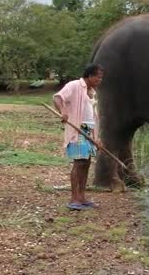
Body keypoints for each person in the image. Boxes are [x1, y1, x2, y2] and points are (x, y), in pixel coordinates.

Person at [53, 64, 104, 210]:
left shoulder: (92, 93)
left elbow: (93, 116)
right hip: (78, 129)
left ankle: (82, 197)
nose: (100, 80)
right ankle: (74, 199)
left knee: (86, 162)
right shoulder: (74, 85)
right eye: (98, 77)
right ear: (90, 76)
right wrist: (63, 111)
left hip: (90, 131)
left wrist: (97, 138)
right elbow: (57, 98)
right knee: (79, 162)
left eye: (101, 78)